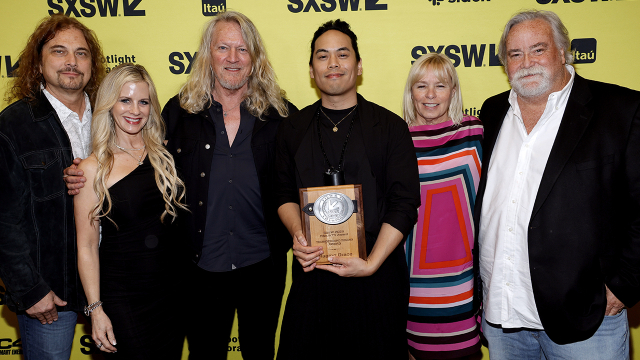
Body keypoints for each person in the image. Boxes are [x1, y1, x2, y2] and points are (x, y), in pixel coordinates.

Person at [475, 9, 640, 360]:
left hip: (586, 319)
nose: (526, 62)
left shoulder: (621, 110)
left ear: (562, 52)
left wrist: (625, 284)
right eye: (515, 54)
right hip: (503, 317)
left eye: (538, 49)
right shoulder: (491, 113)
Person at [275, 19, 420, 360]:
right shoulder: (292, 128)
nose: (333, 63)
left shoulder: (390, 127)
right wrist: (298, 234)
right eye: (322, 56)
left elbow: (404, 203)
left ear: (358, 65)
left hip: (377, 277)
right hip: (314, 275)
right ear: (312, 70)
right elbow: (281, 192)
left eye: (343, 54)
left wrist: (370, 263)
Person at [160, 11, 296, 359]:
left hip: (263, 265)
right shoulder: (178, 113)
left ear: (255, 58)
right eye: (223, 47)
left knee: (261, 351)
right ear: (208, 54)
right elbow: (142, 168)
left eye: (242, 49)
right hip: (200, 266)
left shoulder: (284, 116)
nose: (233, 58)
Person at [0, 14, 105, 359]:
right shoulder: (14, 125)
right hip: (50, 292)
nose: (72, 62)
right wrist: (29, 290)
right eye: (59, 51)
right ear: (38, 62)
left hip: (112, 282)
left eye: (81, 53)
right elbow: (4, 221)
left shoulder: (114, 117)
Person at [74, 63, 187, 358]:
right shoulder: (92, 168)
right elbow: (86, 247)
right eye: (125, 100)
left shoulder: (165, 157)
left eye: (143, 101)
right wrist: (95, 309)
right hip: (123, 297)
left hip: (171, 294)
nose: (135, 110)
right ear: (109, 104)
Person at [402, 53, 482, 359]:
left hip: (462, 283)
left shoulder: (475, 133)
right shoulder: (397, 141)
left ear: (454, 91)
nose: (431, 95)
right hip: (410, 286)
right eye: (421, 86)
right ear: (411, 92)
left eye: (441, 85)